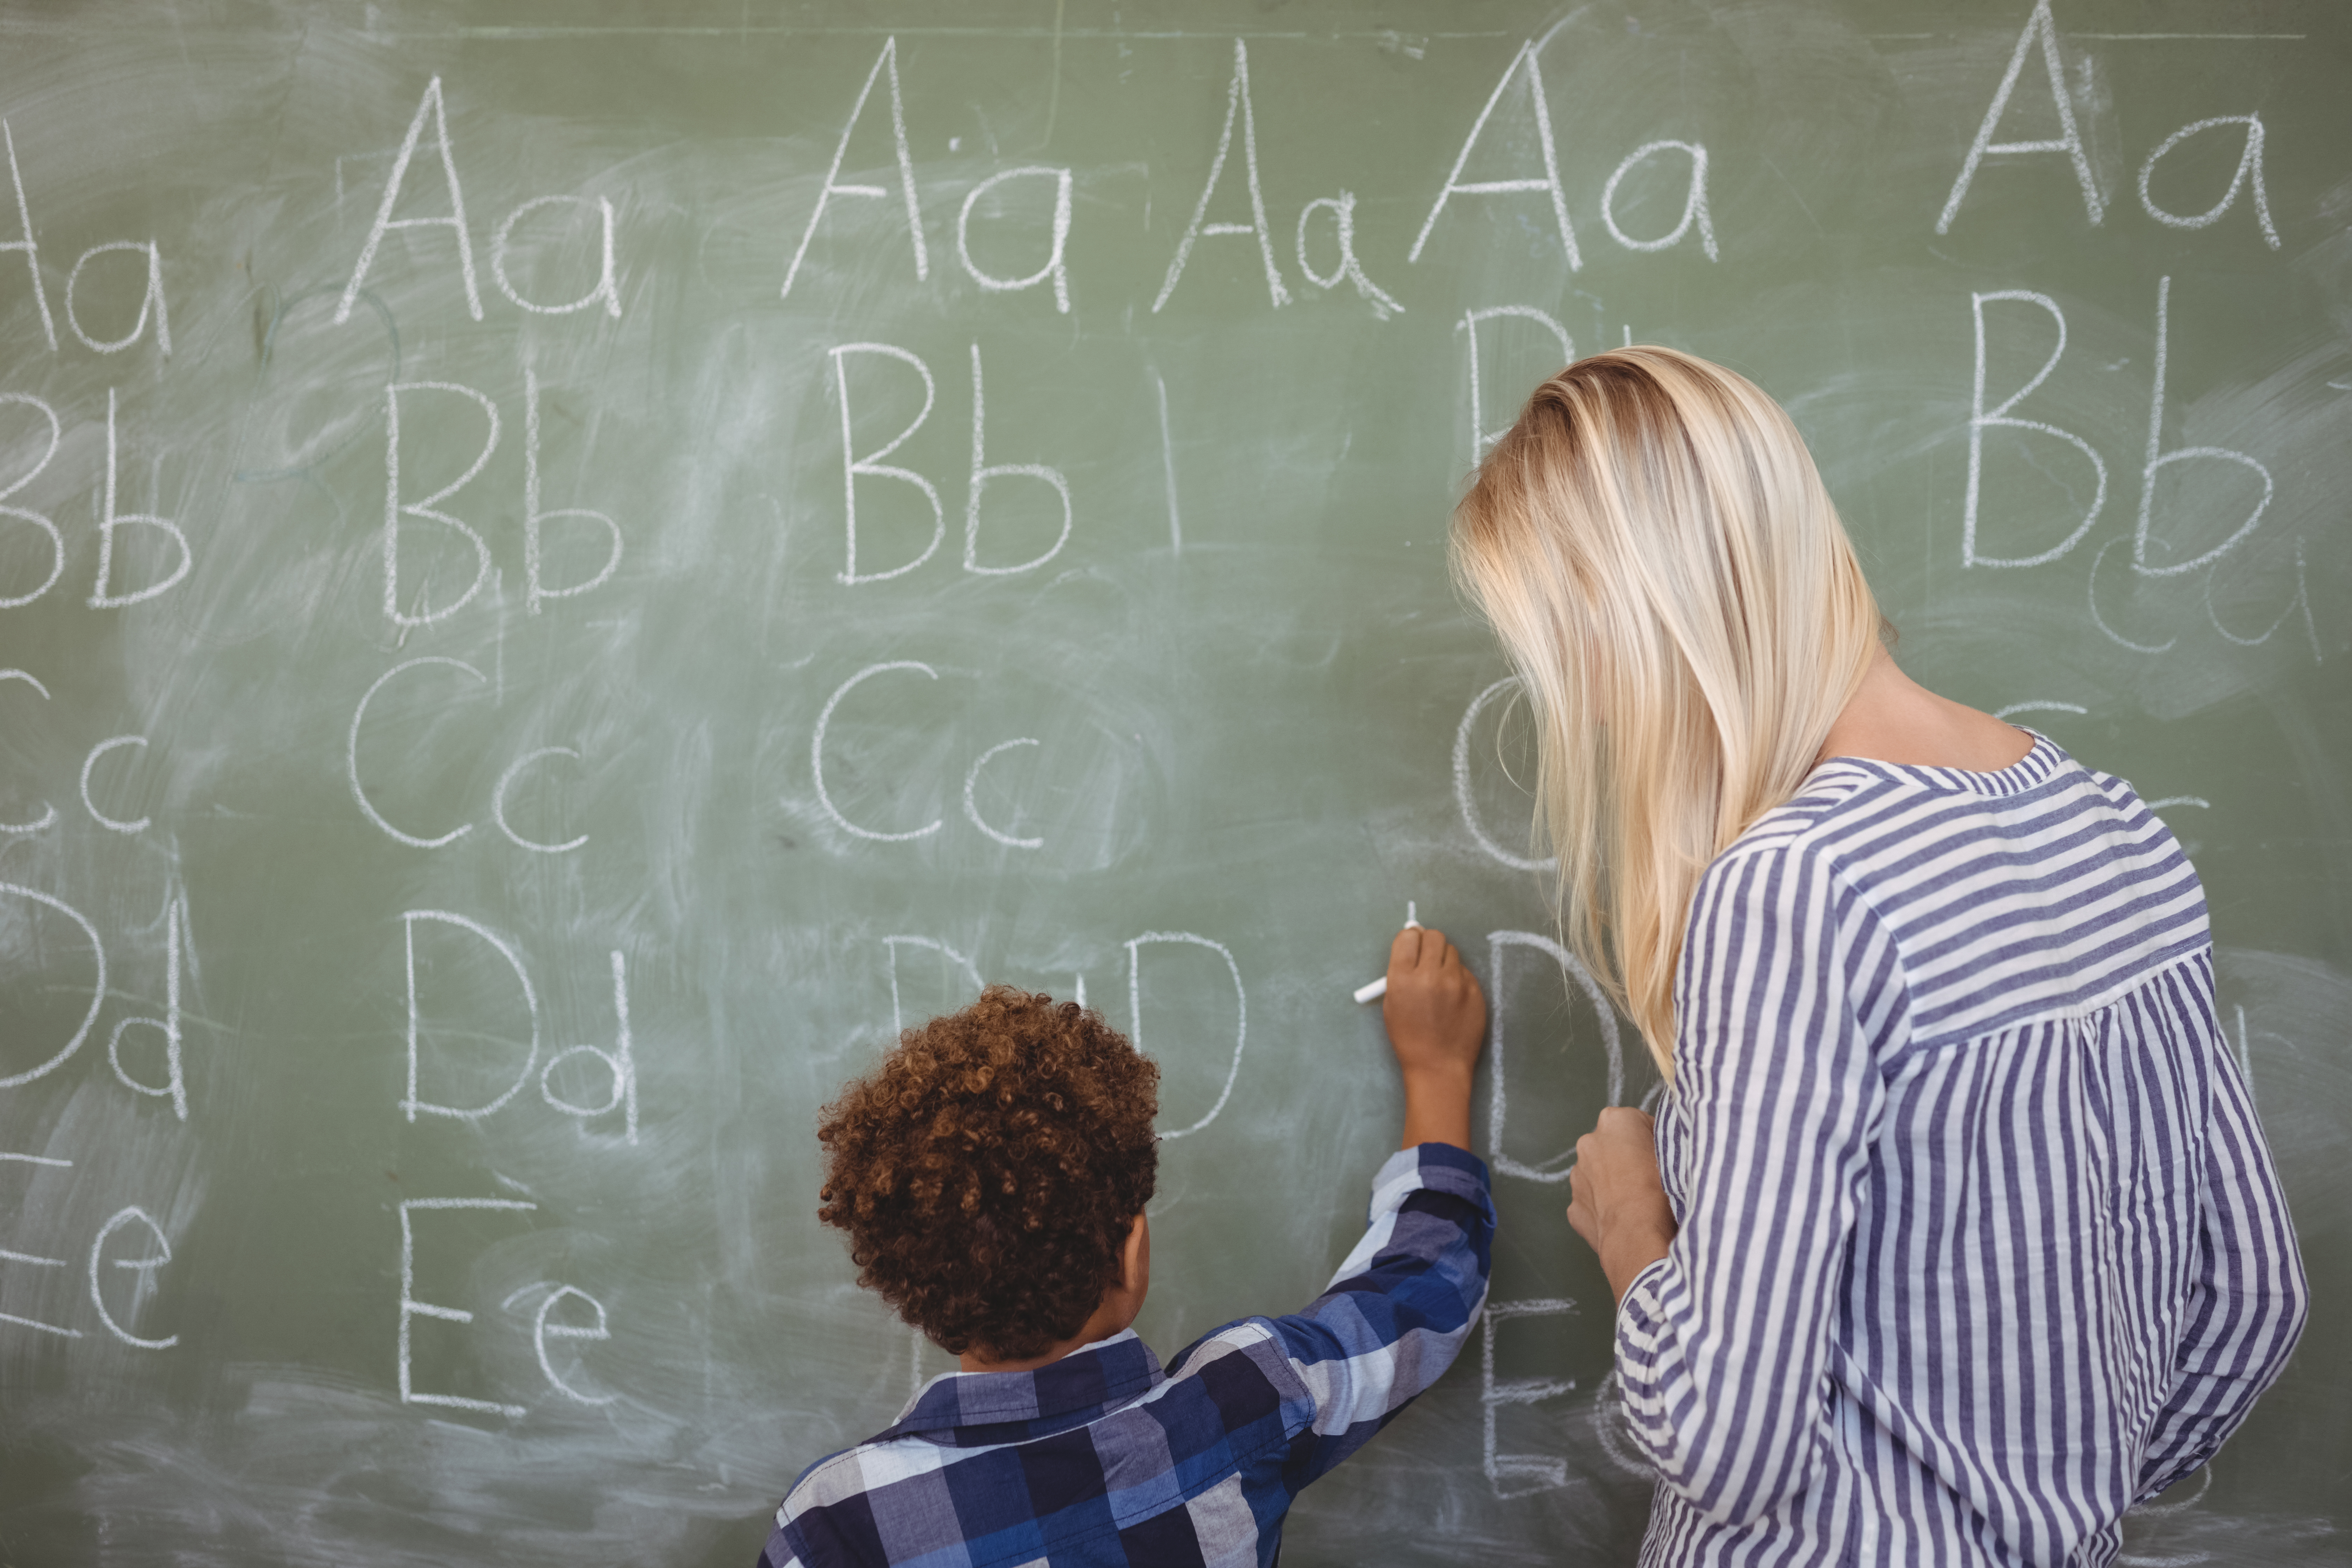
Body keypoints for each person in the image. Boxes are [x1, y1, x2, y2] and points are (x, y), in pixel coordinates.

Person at [1450, 346, 2307, 1566]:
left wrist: (1634, 1233)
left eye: (1562, 649)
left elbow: (1730, 1445)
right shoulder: (2112, 824)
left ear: (1633, 606)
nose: (1581, 706)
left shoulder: (1800, 886)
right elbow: (2253, 1301)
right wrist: (2031, 1506)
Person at [759, 931, 1490, 1568]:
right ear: (1130, 1251)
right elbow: (1425, 1279)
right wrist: (1438, 1070)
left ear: (915, 1288)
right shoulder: (1246, 1404)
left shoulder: (837, 1525)